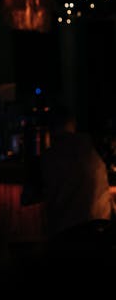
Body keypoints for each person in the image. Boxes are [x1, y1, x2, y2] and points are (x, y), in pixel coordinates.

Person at [39, 105, 115, 254]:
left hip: (66, 238)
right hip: (102, 230)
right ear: (73, 124)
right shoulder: (90, 145)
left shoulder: (49, 155)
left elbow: (33, 194)